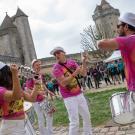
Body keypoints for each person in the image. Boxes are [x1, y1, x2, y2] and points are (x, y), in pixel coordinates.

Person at [50, 47, 93, 135]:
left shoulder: (72, 62)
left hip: (79, 94)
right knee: (75, 122)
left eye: (58, 52)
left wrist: (84, 62)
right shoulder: (56, 68)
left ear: (64, 53)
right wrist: (75, 73)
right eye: (55, 54)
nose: (56, 55)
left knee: (87, 117)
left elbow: (83, 73)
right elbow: (63, 82)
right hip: (69, 97)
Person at [0, 62, 43, 135]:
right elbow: (16, 96)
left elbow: (32, 98)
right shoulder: (1, 90)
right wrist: (15, 74)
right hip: (11, 128)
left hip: (22, 125)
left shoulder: (15, 89)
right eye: (9, 70)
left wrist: (36, 84)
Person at [98, 12, 135, 92]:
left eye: (118, 26)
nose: (117, 29)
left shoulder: (129, 40)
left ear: (126, 26)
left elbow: (101, 44)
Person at [25, 59, 55, 135]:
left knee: (50, 115)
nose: (39, 66)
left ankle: (49, 133)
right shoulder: (30, 76)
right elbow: (27, 89)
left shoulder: (40, 74)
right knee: (41, 119)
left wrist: (48, 91)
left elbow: (42, 85)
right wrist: (39, 92)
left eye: (39, 64)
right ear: (33, 67)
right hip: (36, 101)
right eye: (37, 65)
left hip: (43, 99)